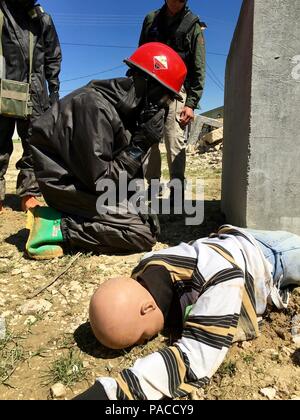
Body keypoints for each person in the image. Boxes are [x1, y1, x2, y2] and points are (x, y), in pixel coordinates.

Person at [73, 225, 300, 400]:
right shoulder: (146, 271)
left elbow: (196, 356)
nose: (146, 342)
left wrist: (111, 394)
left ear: (148, 308)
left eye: (143, 337)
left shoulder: (218, 281)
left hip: (273, 253)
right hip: (230, 243)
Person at [25, 42, 187, 260]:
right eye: (165, 97)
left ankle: (77, 218)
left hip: (86, 180)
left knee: (142, 220)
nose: (164, 106)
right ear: (146, 84)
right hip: (65, 185)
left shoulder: (129, 111)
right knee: (139, 234)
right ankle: (56, 225)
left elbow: (124, 170)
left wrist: (138, 203)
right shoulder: (94, 107)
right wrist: (140, 145)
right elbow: (102, 181)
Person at [139, 0, 206, 198]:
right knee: (150, 139)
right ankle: (153, 186)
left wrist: (191, 104)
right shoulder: (151, 19)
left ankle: (177, 190)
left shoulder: (192, 24)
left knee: (173, 139)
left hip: (177, 91)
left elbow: (198, 67)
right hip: (151, 90)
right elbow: (142, 54)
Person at [0, 0, 62, 213]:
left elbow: (53, 56)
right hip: (1, 87)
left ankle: (29, 193)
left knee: (33, 144)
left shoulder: (42, 17)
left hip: (34, 91)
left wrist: (54, 91)